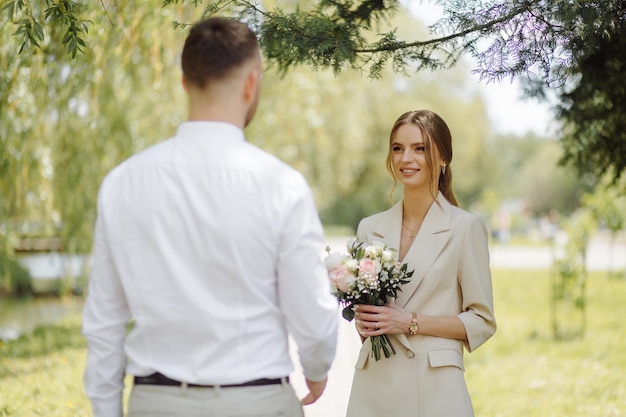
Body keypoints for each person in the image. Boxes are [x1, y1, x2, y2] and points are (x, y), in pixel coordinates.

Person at [82, 17, 338, 417]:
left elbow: (104, 322)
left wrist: (106, 410)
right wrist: (317, 368)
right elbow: (310, 310)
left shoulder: (122, 183)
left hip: (156, 403)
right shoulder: (282, 186)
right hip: (257, 402)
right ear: (252, 84)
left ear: (184, 81)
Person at [346, 110, 497, 416]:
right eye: (398, 148)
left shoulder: (465, 228)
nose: (406, 159)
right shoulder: (368, 228)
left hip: (435, 390)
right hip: (374, 386)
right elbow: (368, 320)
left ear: (443, 158)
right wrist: (365, 321)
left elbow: (482, 321)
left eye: (420, 148)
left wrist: (410, 322)